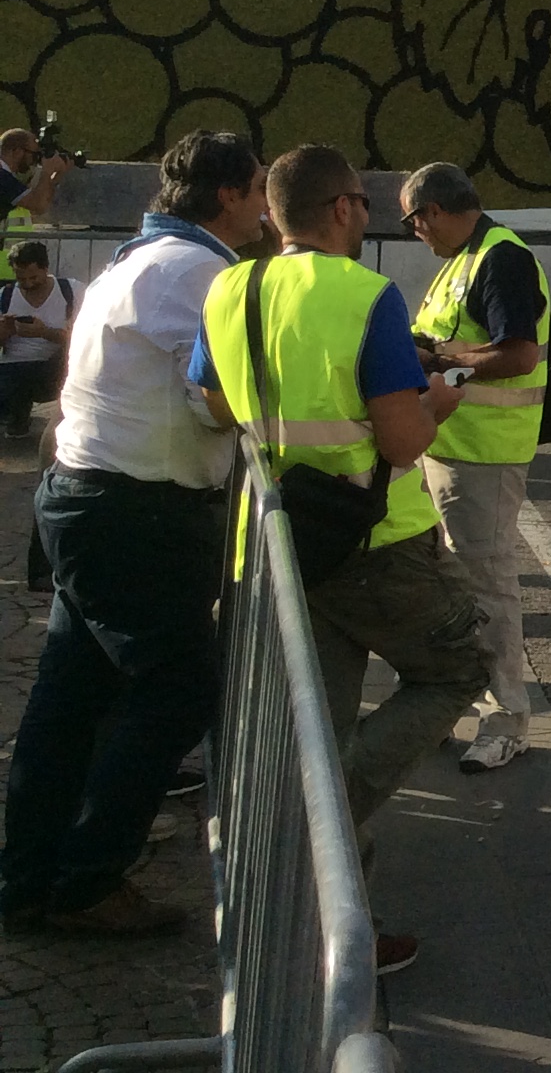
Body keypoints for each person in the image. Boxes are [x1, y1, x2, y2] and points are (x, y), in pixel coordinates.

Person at [191, 145, 485, 973]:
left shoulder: (230, 287)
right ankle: (320, 819)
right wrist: (436, 402)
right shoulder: (366, 296)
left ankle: (336, 926)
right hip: (379, 545)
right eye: (364, 202)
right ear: (345, 209)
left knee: (315, 720)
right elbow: (400, 439)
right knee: (462, 667)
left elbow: (214, 403)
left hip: (278, 541)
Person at [1, 131, 267, 937]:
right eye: (257, 188)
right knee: (179, 689)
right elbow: (210, 397)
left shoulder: (133, 263)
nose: (263, 203)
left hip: (86, 497)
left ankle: (28, 875)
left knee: (70, 697)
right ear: (225, 195)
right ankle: (88, 876)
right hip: (137, 511)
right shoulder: (200, 274)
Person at [402, 163, 551, 774]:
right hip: (451, 446)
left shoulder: (499, 256)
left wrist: (443, 367)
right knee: (455, 585)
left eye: (413, 222)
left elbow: (516, 354)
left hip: (484, 451)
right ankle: (453, 705)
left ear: (434, 210)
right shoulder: (465, 259)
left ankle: (507, 718)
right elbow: (452, 342)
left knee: (486, 586)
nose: (415, 233)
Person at [0, 240, 78, 441]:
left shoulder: (72, 291)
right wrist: (4, 332)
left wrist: (44, 332)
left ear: (46, 269)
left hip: (55, 365)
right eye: (20, 278)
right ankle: (16, 417)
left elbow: (87, 338)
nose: (27, 284)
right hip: (14, 366)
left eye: (33, 277)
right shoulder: (5, 296)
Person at [0, 127, 72, 232]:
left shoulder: (5, 176)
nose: (34, 161)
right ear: (17, 151)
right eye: (34, 155)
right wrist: (47, 171)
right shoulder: (3, 178)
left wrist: (56, 175)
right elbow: (38, 205)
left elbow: (38, 202)